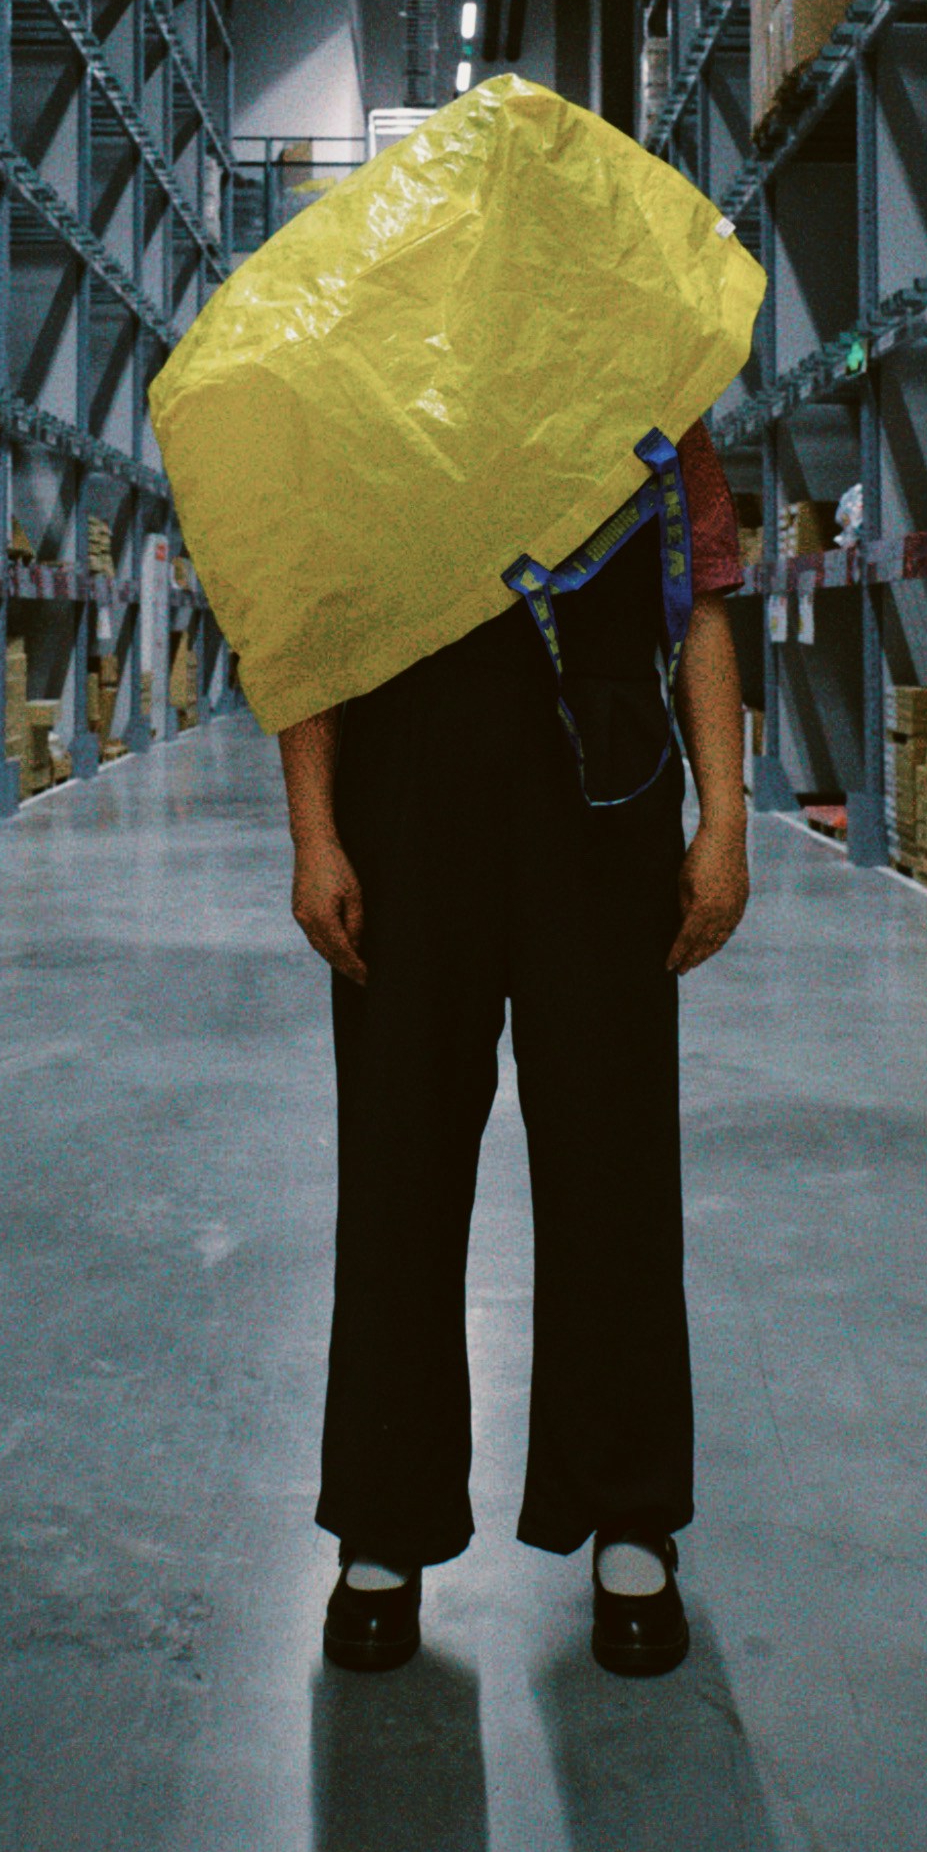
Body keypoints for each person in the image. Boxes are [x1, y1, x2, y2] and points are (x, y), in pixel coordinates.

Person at [277, 417, 750, 1681]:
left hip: (600, 796)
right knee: (397, 1164)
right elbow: (306, 613)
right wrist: (312, 827)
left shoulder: (643, 371)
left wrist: (725, 819)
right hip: (406, 793)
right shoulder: (363, 373)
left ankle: (631, 1521)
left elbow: (701, 598)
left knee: (613, 1160)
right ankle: (383, 1531)